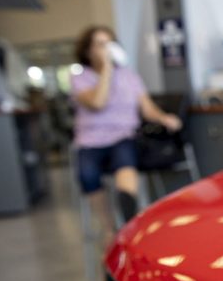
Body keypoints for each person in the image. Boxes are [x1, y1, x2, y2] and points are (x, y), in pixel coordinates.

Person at [71, 25, 181, 235]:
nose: (106, 49)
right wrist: (106, 70)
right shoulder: (79, 77)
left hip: (123, 136)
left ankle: (130, 218)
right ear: (87, 50)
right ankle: (108, 228)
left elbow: (147, 108)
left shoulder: (129, 76)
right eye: (100, 44)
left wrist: (163, 117)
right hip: (90, 140)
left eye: (109, 43)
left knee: (125, 160)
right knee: (88, 174)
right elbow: (98, 103)